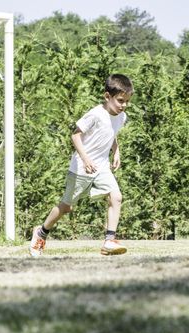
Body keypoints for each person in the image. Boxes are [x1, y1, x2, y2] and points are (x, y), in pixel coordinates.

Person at [30, 74, 133, 257]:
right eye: (120, 100)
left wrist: (116, 151)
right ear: (107, 97)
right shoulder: (95, 114)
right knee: (66, 207)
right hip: (81, 166)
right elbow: (75, 135)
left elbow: (111, 133)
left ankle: (109, 240)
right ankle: (41, 232)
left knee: (116, 197)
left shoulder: (121, 116)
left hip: (101, 166)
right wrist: (85, 159)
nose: (123, 105)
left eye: (126, 101)